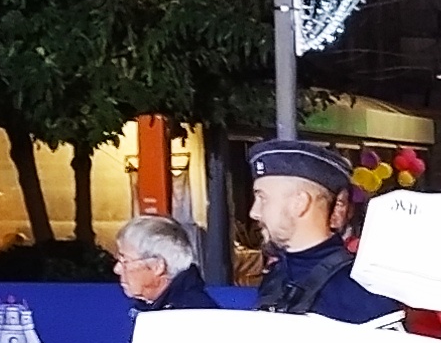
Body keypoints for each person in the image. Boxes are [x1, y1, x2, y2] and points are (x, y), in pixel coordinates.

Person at [248, 140, 400, 327]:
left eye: (262, 198)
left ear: (300, 203)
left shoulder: (361, 289)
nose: (254, 212)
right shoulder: (278, 275)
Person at [113, 212, 245, 314]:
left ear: (158, 266)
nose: (117, 269)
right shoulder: (152, 306)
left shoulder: (192, 316)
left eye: (125, 260)